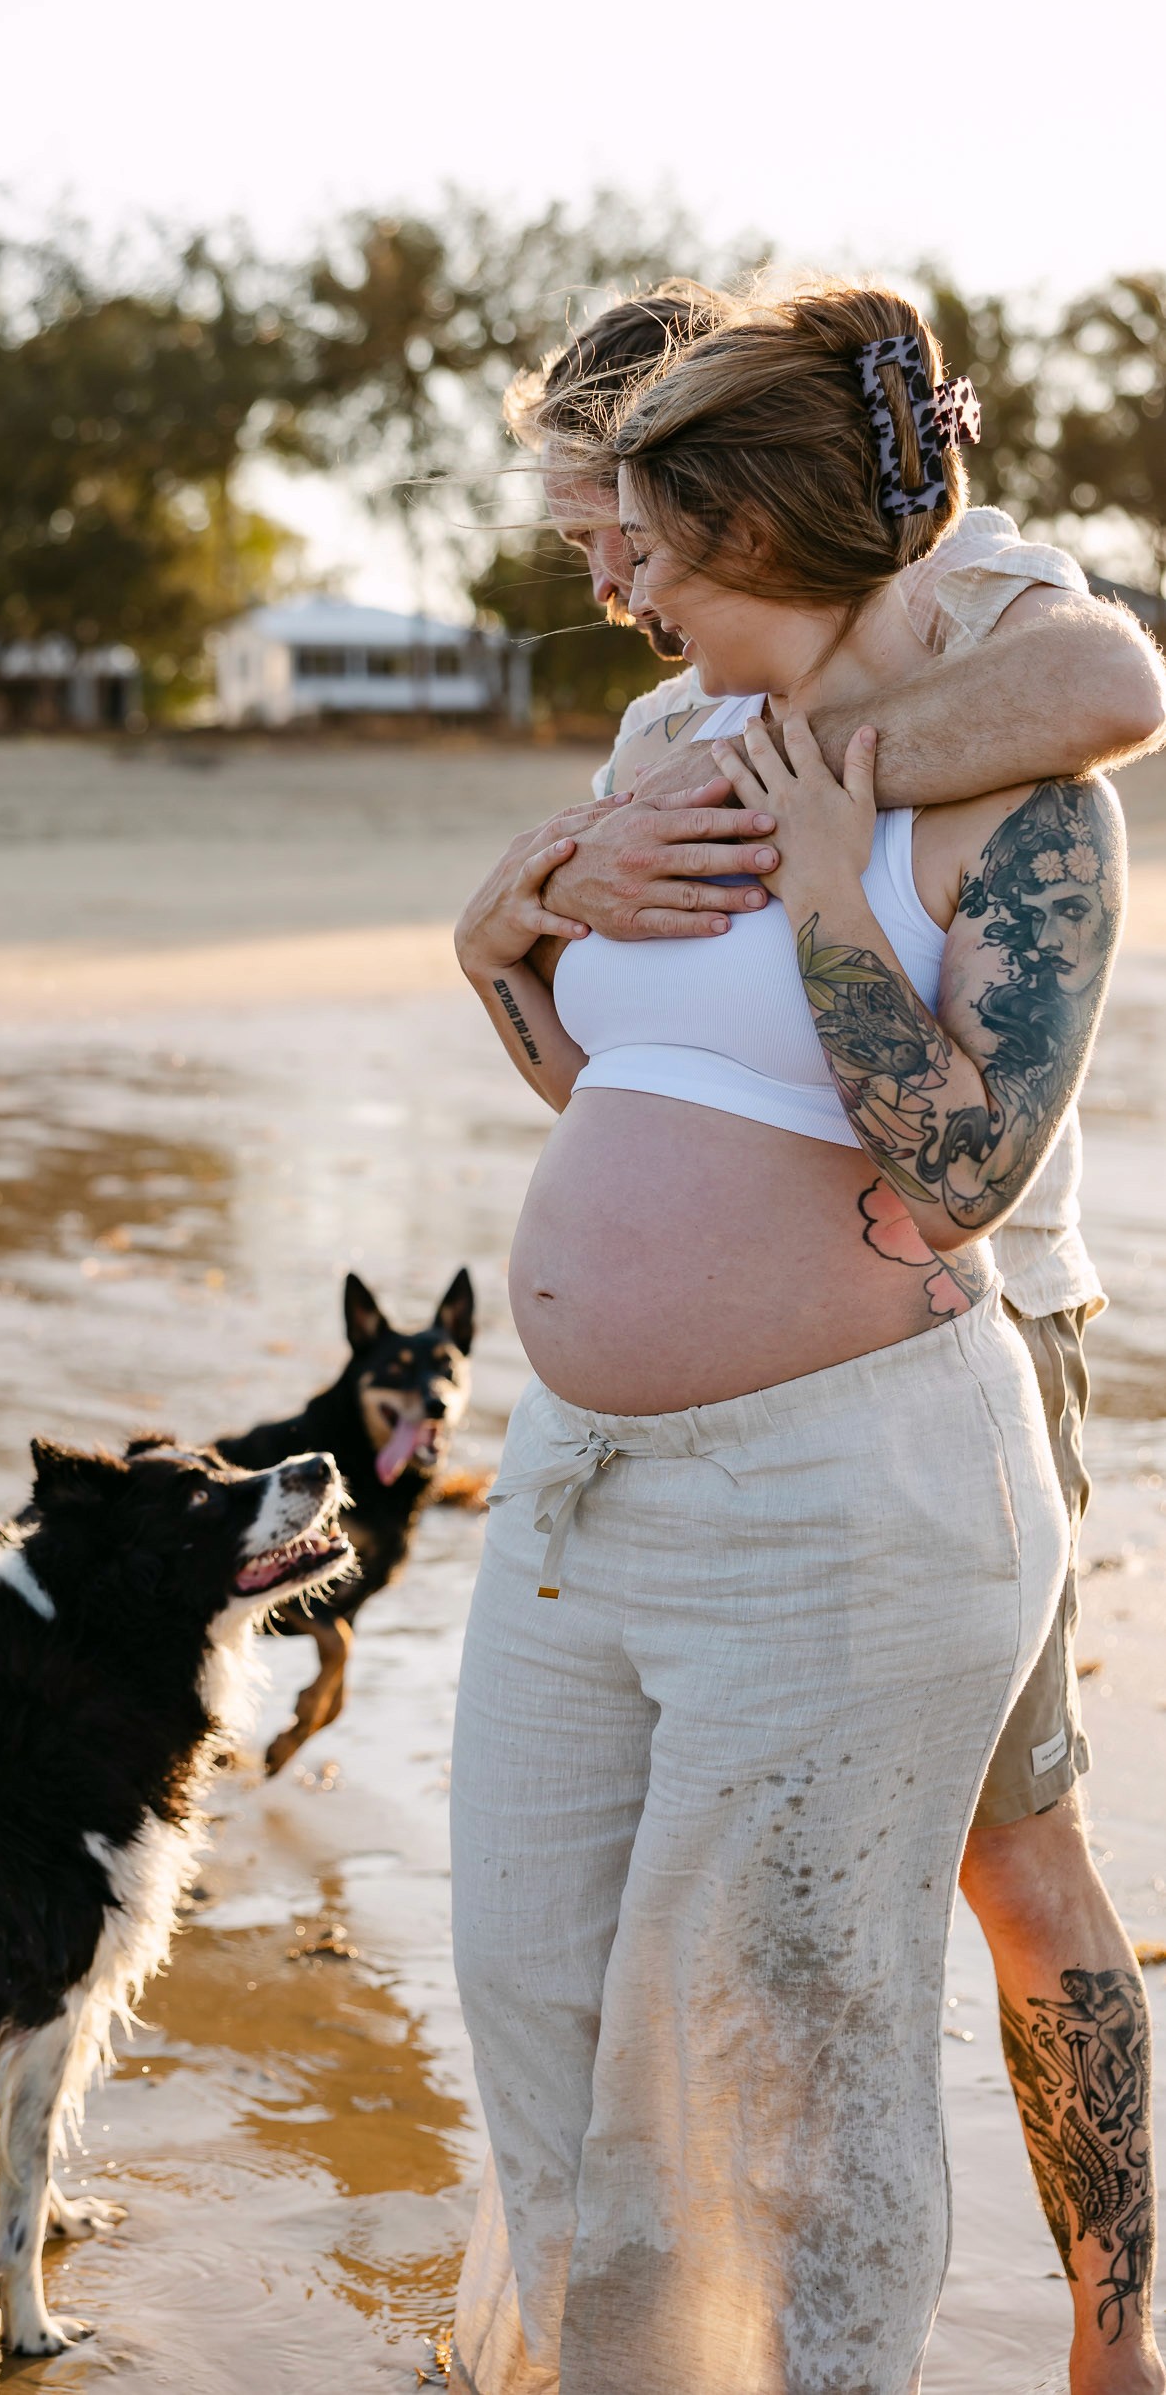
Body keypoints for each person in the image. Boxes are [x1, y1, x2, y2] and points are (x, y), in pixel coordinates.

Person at [457, 288, 1166, 2395]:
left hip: (933, 1364)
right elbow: (625, 1086)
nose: (608, 579)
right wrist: (499, 936)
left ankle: (1112, 2322)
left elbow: (1116, 679)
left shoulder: (988, 638)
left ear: (731, 508)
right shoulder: (663, 735)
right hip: (606, 1476)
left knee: (996, 1871)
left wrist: (826, 824)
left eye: (629, 528)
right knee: (573, 1982)